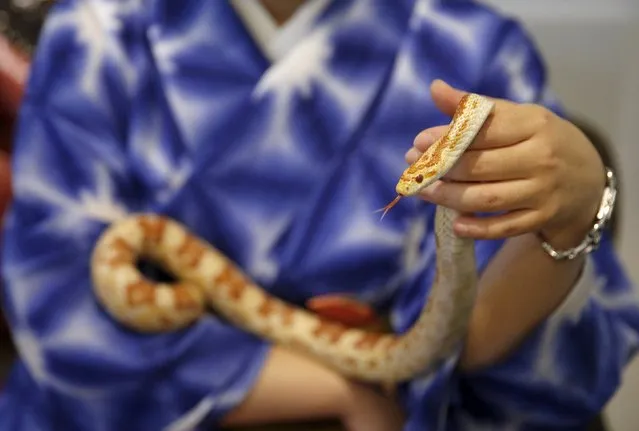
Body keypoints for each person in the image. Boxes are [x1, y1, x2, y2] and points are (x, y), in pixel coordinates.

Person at [0, 1, 637, 430]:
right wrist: (340, 389)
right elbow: (55, 298)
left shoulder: (467, 44)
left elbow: (469, 341)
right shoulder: (101, 27)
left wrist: (575, 214)